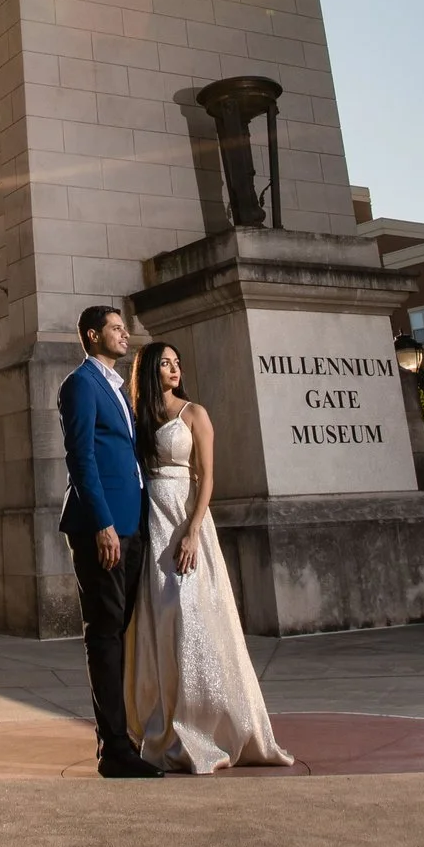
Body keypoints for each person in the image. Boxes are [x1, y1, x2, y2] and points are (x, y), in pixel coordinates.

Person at [123, 340, 292, 773]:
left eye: (178, 362)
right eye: (165, 363)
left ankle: (207, 723)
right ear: (149, 370)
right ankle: (163, 720)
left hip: (183, 520)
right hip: (150, 522)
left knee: (189, 612)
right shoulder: (136, 417)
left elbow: (208, 478)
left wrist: (193, 531)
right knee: (157, 617)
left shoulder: (194, 414)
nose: (175, 369)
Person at [57, 305, 163, 778]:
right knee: (104, 634)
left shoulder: (121, 388)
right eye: (117, 329)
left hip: (133, 523)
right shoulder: (80, 384)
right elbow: (80, 458)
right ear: (93, 335)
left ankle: (128, 735)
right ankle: (113, 750)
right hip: (102, 529)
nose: (126, 334)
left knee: (122, 632)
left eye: (126, 328)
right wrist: (102, 524)